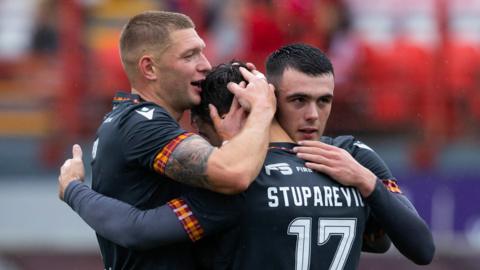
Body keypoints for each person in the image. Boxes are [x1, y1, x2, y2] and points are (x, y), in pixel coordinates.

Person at [59, 47, 434, 269]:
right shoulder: (352, 157)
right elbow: (385, 241)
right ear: (269, 100)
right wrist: (366, 188)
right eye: (299, 100)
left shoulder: (240, 182)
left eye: (324, 101)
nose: (313, 115)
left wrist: (74, 189)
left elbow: (137, 231)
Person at [81, 10, 276, 270]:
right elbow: (233, 173)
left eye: (202, 51)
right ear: (149, 68)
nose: (205, 64)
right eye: (189, 55)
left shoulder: (126, 121)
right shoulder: (142, 124)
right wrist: (262, 110)